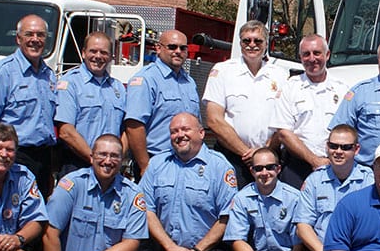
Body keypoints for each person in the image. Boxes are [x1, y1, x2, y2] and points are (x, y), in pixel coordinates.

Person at [139, 112, 239, 251]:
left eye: (186, 130)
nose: (179, 135)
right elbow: (146, 209)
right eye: (174, 131)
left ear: (201, 134)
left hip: (207, 250)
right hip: (170, 250)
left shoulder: (219, 166)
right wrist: (170, 248)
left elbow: (226, 217)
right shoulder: (157, 164)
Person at [0, 14, 58, 196]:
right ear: (18, 39)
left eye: (41, 35)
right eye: (29, 34)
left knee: (38, 217)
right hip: (13, 157)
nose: (35, 40)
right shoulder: (3, 72)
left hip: (43, 158)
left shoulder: (49, 76)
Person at [203, 20, 289, 186]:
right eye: (246, 40)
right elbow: (214, 120)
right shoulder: (223, 71)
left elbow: (285, 119)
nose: (252, 45)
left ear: (266, 44)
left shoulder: (281, 75)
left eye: (257, 41)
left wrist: (266, 152)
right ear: (240, 42)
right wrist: (247, 153)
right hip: (232, 158)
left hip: (271, 159)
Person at [272, 34, 351, 187]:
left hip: (335, 165)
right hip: (297, 167)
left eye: (317, 53)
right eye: (306, 54)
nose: (312, 58)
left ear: (327, 55)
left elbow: (349, 130)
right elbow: (284, 133)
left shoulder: (342, 88)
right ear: (300, 57)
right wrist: (314, 160)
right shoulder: (290, 88)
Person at [124, 29, 200, 175]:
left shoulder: (189, 82)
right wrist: (145, 165)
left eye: (183, 48)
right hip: (157, 163)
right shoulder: (146, 79)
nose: (178, 51)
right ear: (158, 48)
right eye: (172, 47)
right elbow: (134, 126)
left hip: (189, 163)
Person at [54, 32, 127, 175]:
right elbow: (66, 132)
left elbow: (127, 131)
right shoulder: (70, 84)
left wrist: (115, 160)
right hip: (77, 165)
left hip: (111, 169)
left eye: (104, 52)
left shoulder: (118, 88)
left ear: (111, 57)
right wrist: (95, 160)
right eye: (93, 51)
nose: (98, 56)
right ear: (83, 53)